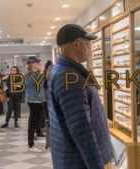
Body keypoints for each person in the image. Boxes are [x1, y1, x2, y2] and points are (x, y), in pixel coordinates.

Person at [47, 24, 114, 168]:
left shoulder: (64, 71)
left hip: (71, 157)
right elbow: (82, 130)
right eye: (87, 43)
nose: (89, 48)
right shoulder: (70, 77)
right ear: (76, 44)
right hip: (77, 161)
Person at [25, 56, 46, 153]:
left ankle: (32, 141)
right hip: (33, 100)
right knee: (32, 121)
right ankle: (31, 144)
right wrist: (42, 72)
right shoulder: (30, 74)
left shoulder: (33, 73)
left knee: (35, 120)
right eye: (38, 63)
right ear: (33, 64)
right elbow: (39, 84)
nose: (40, 65)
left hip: (37, 99)